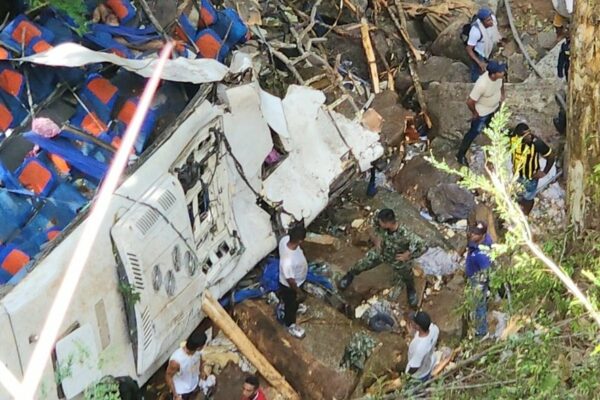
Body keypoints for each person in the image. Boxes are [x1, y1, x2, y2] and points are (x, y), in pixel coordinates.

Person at [339, 209, 425, 307]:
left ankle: (411, 289)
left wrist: (408, 255)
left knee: (407, 275)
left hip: (397, 258)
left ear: (387, 223)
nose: (379, 223)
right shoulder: (381, 221)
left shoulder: (405, 233)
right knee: (362, 264)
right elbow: (373, 220)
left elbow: (422, 246)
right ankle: (350, 275)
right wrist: (376, 237)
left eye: (381, 222)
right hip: (381, 252)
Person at [456, 60, 506, 166]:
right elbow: (470, 102)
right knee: (474, 132)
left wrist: (502, 94)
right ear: (493, 74)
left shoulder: (499, 77)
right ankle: (460, 155)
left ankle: (494, 147)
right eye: (500, 71)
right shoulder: (482, 84)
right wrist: (475, 113)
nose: (503, 72)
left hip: (494, 108)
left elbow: (501, 84)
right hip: (482, 113)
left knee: (493, 127)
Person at [510, 123, 556, 215]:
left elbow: (551, 156)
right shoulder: (512, 138)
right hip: (517, 175)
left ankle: (525, 213)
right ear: (519, 137)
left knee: (528, 197)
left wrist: (544, 172)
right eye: (526, 135)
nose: (530, 136)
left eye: (529, 133)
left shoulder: (536, 143)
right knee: (518, 193)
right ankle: (518, 206)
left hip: (531, 178)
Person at [278, 224, 309, 338]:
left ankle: (292, 306)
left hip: (298, 280)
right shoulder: (288, 261)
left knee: (291, 302)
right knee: (291, 304)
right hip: (291, 286)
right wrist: (299, 293)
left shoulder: (285, 240)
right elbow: (290, 280)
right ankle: (290, 324)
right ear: (300, 241)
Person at [465, 221, 493, 337]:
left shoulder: (482, 255)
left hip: (477, 280)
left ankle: (481, 331)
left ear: (482, 235)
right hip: (474, 271)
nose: (472, 235)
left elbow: (486, 272)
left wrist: (480, 285)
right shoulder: (479, 242)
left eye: (476, 234)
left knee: (479, 305)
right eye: (472, 232)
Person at [165, 331, 207, 400]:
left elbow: (201, 359)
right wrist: (176, 395)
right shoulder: (176, 361)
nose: (204, 346)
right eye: (203, 345)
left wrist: (202, 371)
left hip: (194, 384)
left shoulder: (198, 352)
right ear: (198, 348)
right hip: (181, 391)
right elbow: (168, 376)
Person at [465, 8, 502, 82]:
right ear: (482, 22)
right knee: (477, 72)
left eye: (490, 19)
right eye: (488, 20)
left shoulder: (492, 20)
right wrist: (479, 62)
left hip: (487, 47)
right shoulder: (475, 32)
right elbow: (468, 49)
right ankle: (474, 83)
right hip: (479, 53)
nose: (491, 21)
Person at [405, 311, 439, 381]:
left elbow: (414, 367)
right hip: (428, 363)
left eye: (414, 322)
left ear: (418, 326)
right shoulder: (435, 329)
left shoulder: (420, 348)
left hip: (419, 375)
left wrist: (407, 376)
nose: (412, 322)